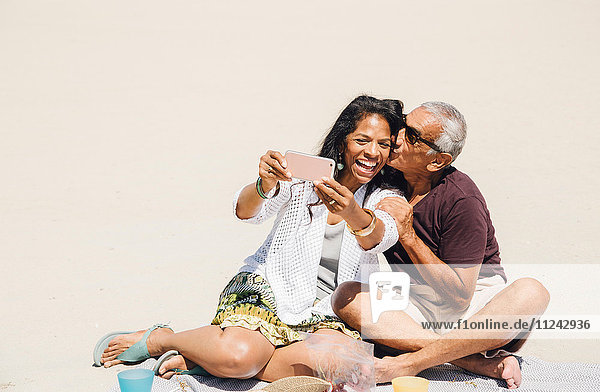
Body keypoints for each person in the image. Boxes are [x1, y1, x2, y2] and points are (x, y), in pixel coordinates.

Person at [93, 95, 405, 381]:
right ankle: (163, 338)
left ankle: (209, 359)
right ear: (342, 143)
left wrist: (351, 210)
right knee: (240, 357)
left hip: (328, 312)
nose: (372, 153)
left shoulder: (385, 194)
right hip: (269, 290)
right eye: (362, 141)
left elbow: (381, 234)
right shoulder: (301, 179)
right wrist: (264, 183)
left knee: (353, 367)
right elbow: (246, 211)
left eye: (383, 144)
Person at [331, 102, 550, 389]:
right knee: (347, 296)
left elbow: (459, 295)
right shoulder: (390, 174)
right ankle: (470, 360)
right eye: (403, 125)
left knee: (532, 292)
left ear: (437, 161)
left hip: (474, 305)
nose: (396, 138)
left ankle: (408, 363)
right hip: (417, 302)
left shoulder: (462, 199)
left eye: (411, 136)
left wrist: (408, 235)